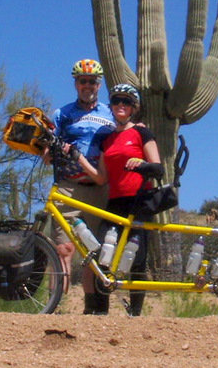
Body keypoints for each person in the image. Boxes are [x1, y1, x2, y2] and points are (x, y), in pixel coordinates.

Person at [43, 58, 114, 315]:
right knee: (63, 249)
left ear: (99, 84)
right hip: (68, 188)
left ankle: (91, 310)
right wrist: (50, 151)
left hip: (100, 190)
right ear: (76, 84)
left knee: (92, 252)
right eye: (83, 81)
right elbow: (47, 150)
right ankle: (53, 307)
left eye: (92, 81)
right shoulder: (62, 114)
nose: (87, 86)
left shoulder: (110, 114)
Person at [92, 83, 162, 316]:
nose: (121, 105)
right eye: (116, 101)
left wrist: (141, 164)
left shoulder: (142, 133)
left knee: (137, 258)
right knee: (102, 254)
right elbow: (101, 177)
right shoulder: (107, 139)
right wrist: (75, 158)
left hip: (139, 201)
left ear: (134, 107)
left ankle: (136, 313)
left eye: (127, 102)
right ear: (110, 106)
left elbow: (158, 168)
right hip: (115, 202)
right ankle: (100, 312)